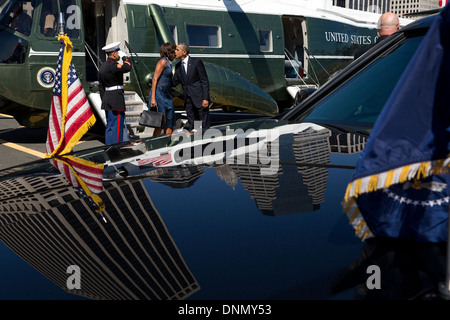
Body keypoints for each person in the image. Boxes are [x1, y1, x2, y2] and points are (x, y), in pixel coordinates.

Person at [98, 41, 132, 145]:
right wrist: (125, 57)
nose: (119, 54)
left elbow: (101, 86)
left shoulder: (103, 66)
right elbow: (127, 67)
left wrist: (105, 99)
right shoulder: (113, 65)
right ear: (114, 54)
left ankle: (110, 147)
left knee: (110, 127)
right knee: (117, 127)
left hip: (108, 99)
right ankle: (116, 149)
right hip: (115, 100)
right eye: (118, 52)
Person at [172, 42, 210, 132]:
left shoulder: (196, 62)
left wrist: (205, 98)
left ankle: (206, 139)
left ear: (184, 52)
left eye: (177, 50)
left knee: (204, 122)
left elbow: (204, 81)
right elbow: (175, 82)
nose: (175, 51)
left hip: (199, 97)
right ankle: (195, 139)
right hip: (187, 99)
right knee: (192, 122)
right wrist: (163, 80)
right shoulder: (178, 66)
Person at [150, 42, 177, 136]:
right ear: (169, 52)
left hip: (167, 93)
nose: (176, 54)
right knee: (160, 122)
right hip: (159, 93)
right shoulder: (163, 62)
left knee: (170, 120)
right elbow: (154, 79)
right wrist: (153, 98)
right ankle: (154, 145)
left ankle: (168, 145)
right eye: (174, 51)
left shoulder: (169, 62)